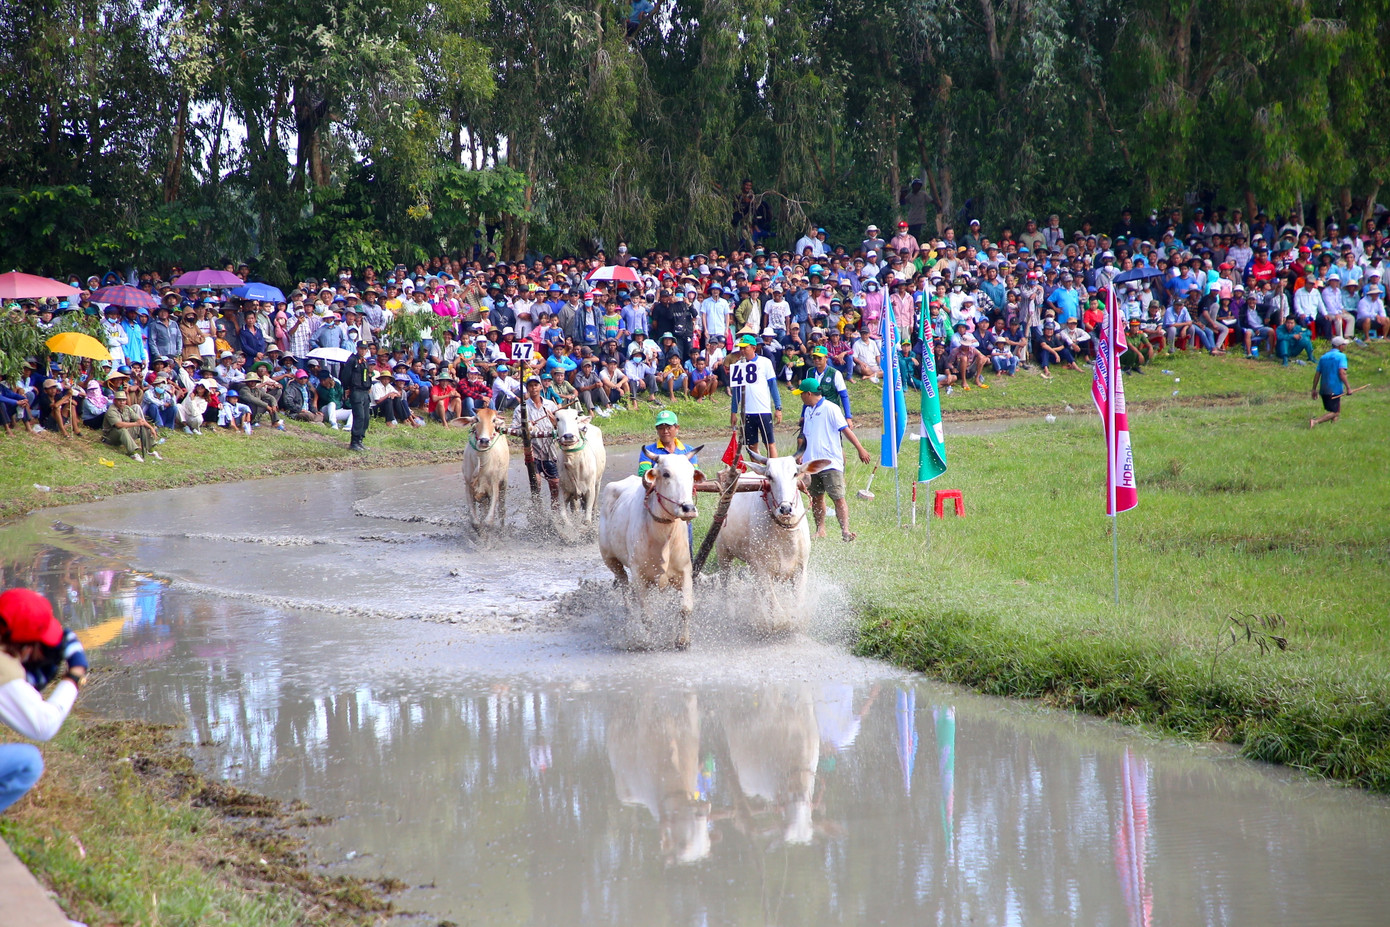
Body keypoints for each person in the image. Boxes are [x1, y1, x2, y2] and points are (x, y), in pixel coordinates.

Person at [1, 587, 87, 813]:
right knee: (29, 762)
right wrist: (74, 677)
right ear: (25, 645)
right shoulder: (4, 669)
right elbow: (44, 726)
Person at [794, 376, 872, 542]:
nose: (800, 397)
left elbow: (845, 430)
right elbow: (806, 436)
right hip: (811, 463)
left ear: (808, 393)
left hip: (830, 462)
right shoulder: (808, 410)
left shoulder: (831, 408)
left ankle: (845, 530)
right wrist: (800, 455)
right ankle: (820, 529)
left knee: (837, 496)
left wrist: (860, 449)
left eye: (801, 394)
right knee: (816, 497)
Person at [725, 333, 782, 456]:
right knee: (751, 446)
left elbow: (773, 387)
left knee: (769, 443)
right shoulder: (738, 366)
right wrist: (733, 412)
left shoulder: (765, 363)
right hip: (747, 412)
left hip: (763, 409)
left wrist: (778, 407)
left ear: (753, 348)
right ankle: (758, 472)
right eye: (741, 348)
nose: (742, 350)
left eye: (745, 347)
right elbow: (736, 392)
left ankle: (774, 469)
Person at [512, 376, 561, 505]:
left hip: (550, 450)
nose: (533, 388)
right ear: (527, 388)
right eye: (531, 385)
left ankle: (555, 508)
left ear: (540, 387)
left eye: (536, 385)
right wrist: (526, 426)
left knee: (555, 483)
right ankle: (537, 508)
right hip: (533, 450)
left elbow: (560, 425)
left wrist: (554, 422)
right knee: (536, 482)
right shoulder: (521, 409)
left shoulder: (550, 405)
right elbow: (514, 428)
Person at [102, 390, 160, 461]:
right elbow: (118, 425)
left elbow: (140, 420)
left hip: (124, 433)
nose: (122, 402)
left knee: (142, 426)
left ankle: (150, 450)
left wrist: (151, 428)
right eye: (119, 400)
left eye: (123, 400)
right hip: (110, 437)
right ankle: (133, 453)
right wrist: (135, 424)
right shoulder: (111, 410)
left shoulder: (126, 408)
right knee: (122, 429)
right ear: (114, 401)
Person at [340, 339, 375, 450]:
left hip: (365, 392)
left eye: (365, 349)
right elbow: (345, 376)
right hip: (356, 391)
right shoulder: (352, 360)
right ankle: (354, 442)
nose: (363, 350)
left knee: (365, 418)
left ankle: (360, 440)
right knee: (359, 416)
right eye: (361, 348)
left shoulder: (364, 361)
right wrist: (347, 388)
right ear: (357, 348)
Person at [1310, 335, 1351, 428]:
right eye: (1344, 345)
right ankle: (1315, 421)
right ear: (1340, 346)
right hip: (1335, 388)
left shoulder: (1323, 357)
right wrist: (1348, 388)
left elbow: (1317, 374)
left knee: (1336, 407)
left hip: (1324, 389)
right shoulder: (1341, 356)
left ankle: (1334, 426)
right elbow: (1342, 373)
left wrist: (1314, 389)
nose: (1345, 347)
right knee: (1335, 412)